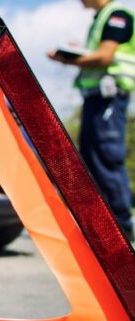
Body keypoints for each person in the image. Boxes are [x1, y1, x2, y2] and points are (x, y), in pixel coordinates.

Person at [49, 0, 135, 240]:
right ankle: (100, 227)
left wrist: (68, 59)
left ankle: (121, 230)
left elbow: (105, 57)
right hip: (97, 99)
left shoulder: (117, 15)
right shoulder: (100, 19)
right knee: (91, 159)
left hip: (108, 98)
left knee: (107, 159)